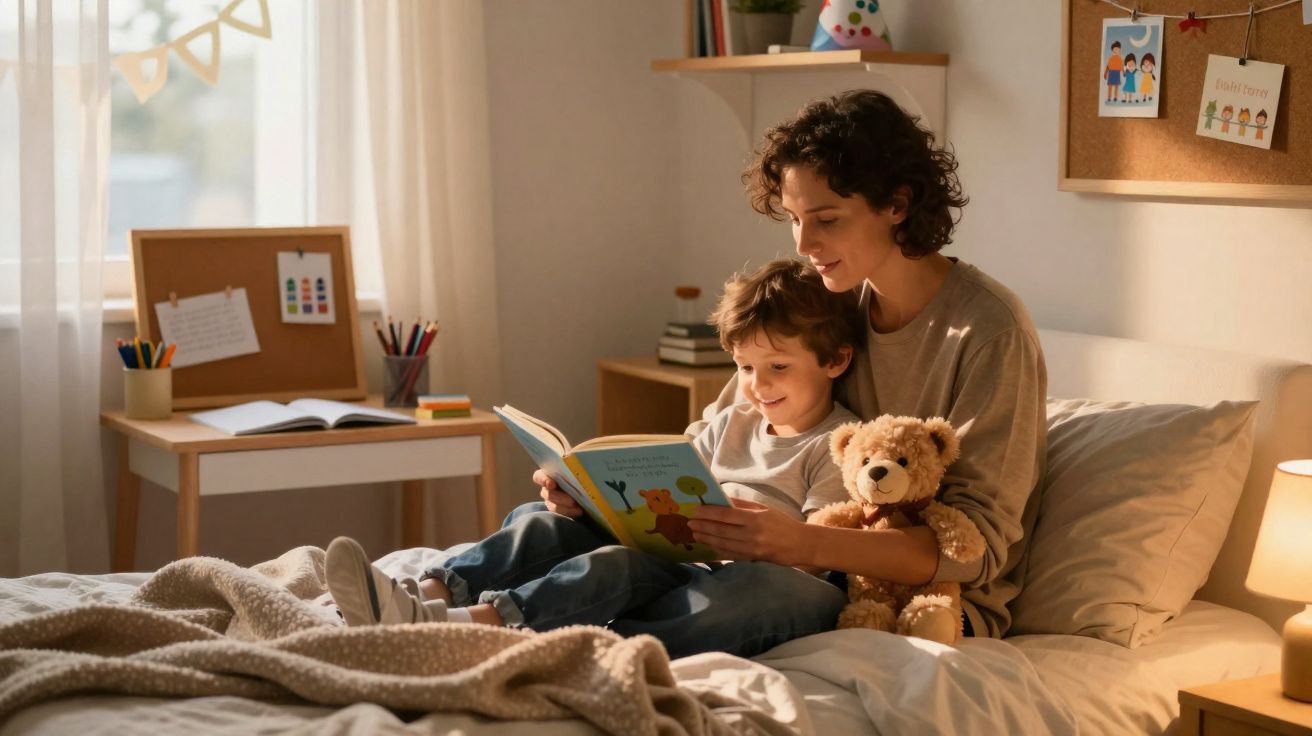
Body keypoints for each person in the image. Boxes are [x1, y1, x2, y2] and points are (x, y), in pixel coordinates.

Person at [540, 90, 1046, 641]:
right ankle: (507, 619)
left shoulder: (990, 331)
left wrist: (799, 541)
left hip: (920, 604)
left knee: (758, 592)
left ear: (897, 205)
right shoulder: (825, 303)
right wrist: (600, 499)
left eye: (826, 219)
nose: (805, 243)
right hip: (761, 564)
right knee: (547, 529)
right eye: (795, 219)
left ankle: (587, 645)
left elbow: (977, 548)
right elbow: (712, 440)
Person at [325, 258, 865, 658]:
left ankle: (487, 630)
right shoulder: (730, 423)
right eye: (745, 368)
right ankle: (427, 598)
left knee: (696, 583)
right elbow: (676, 486)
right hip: (683, 563)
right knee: (544, 524)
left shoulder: (837, 443)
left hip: (753, 581)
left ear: (836, 360)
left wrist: (752, 537)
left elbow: (817, 553)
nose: (756, 385)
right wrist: (588, 499)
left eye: (777, 367)